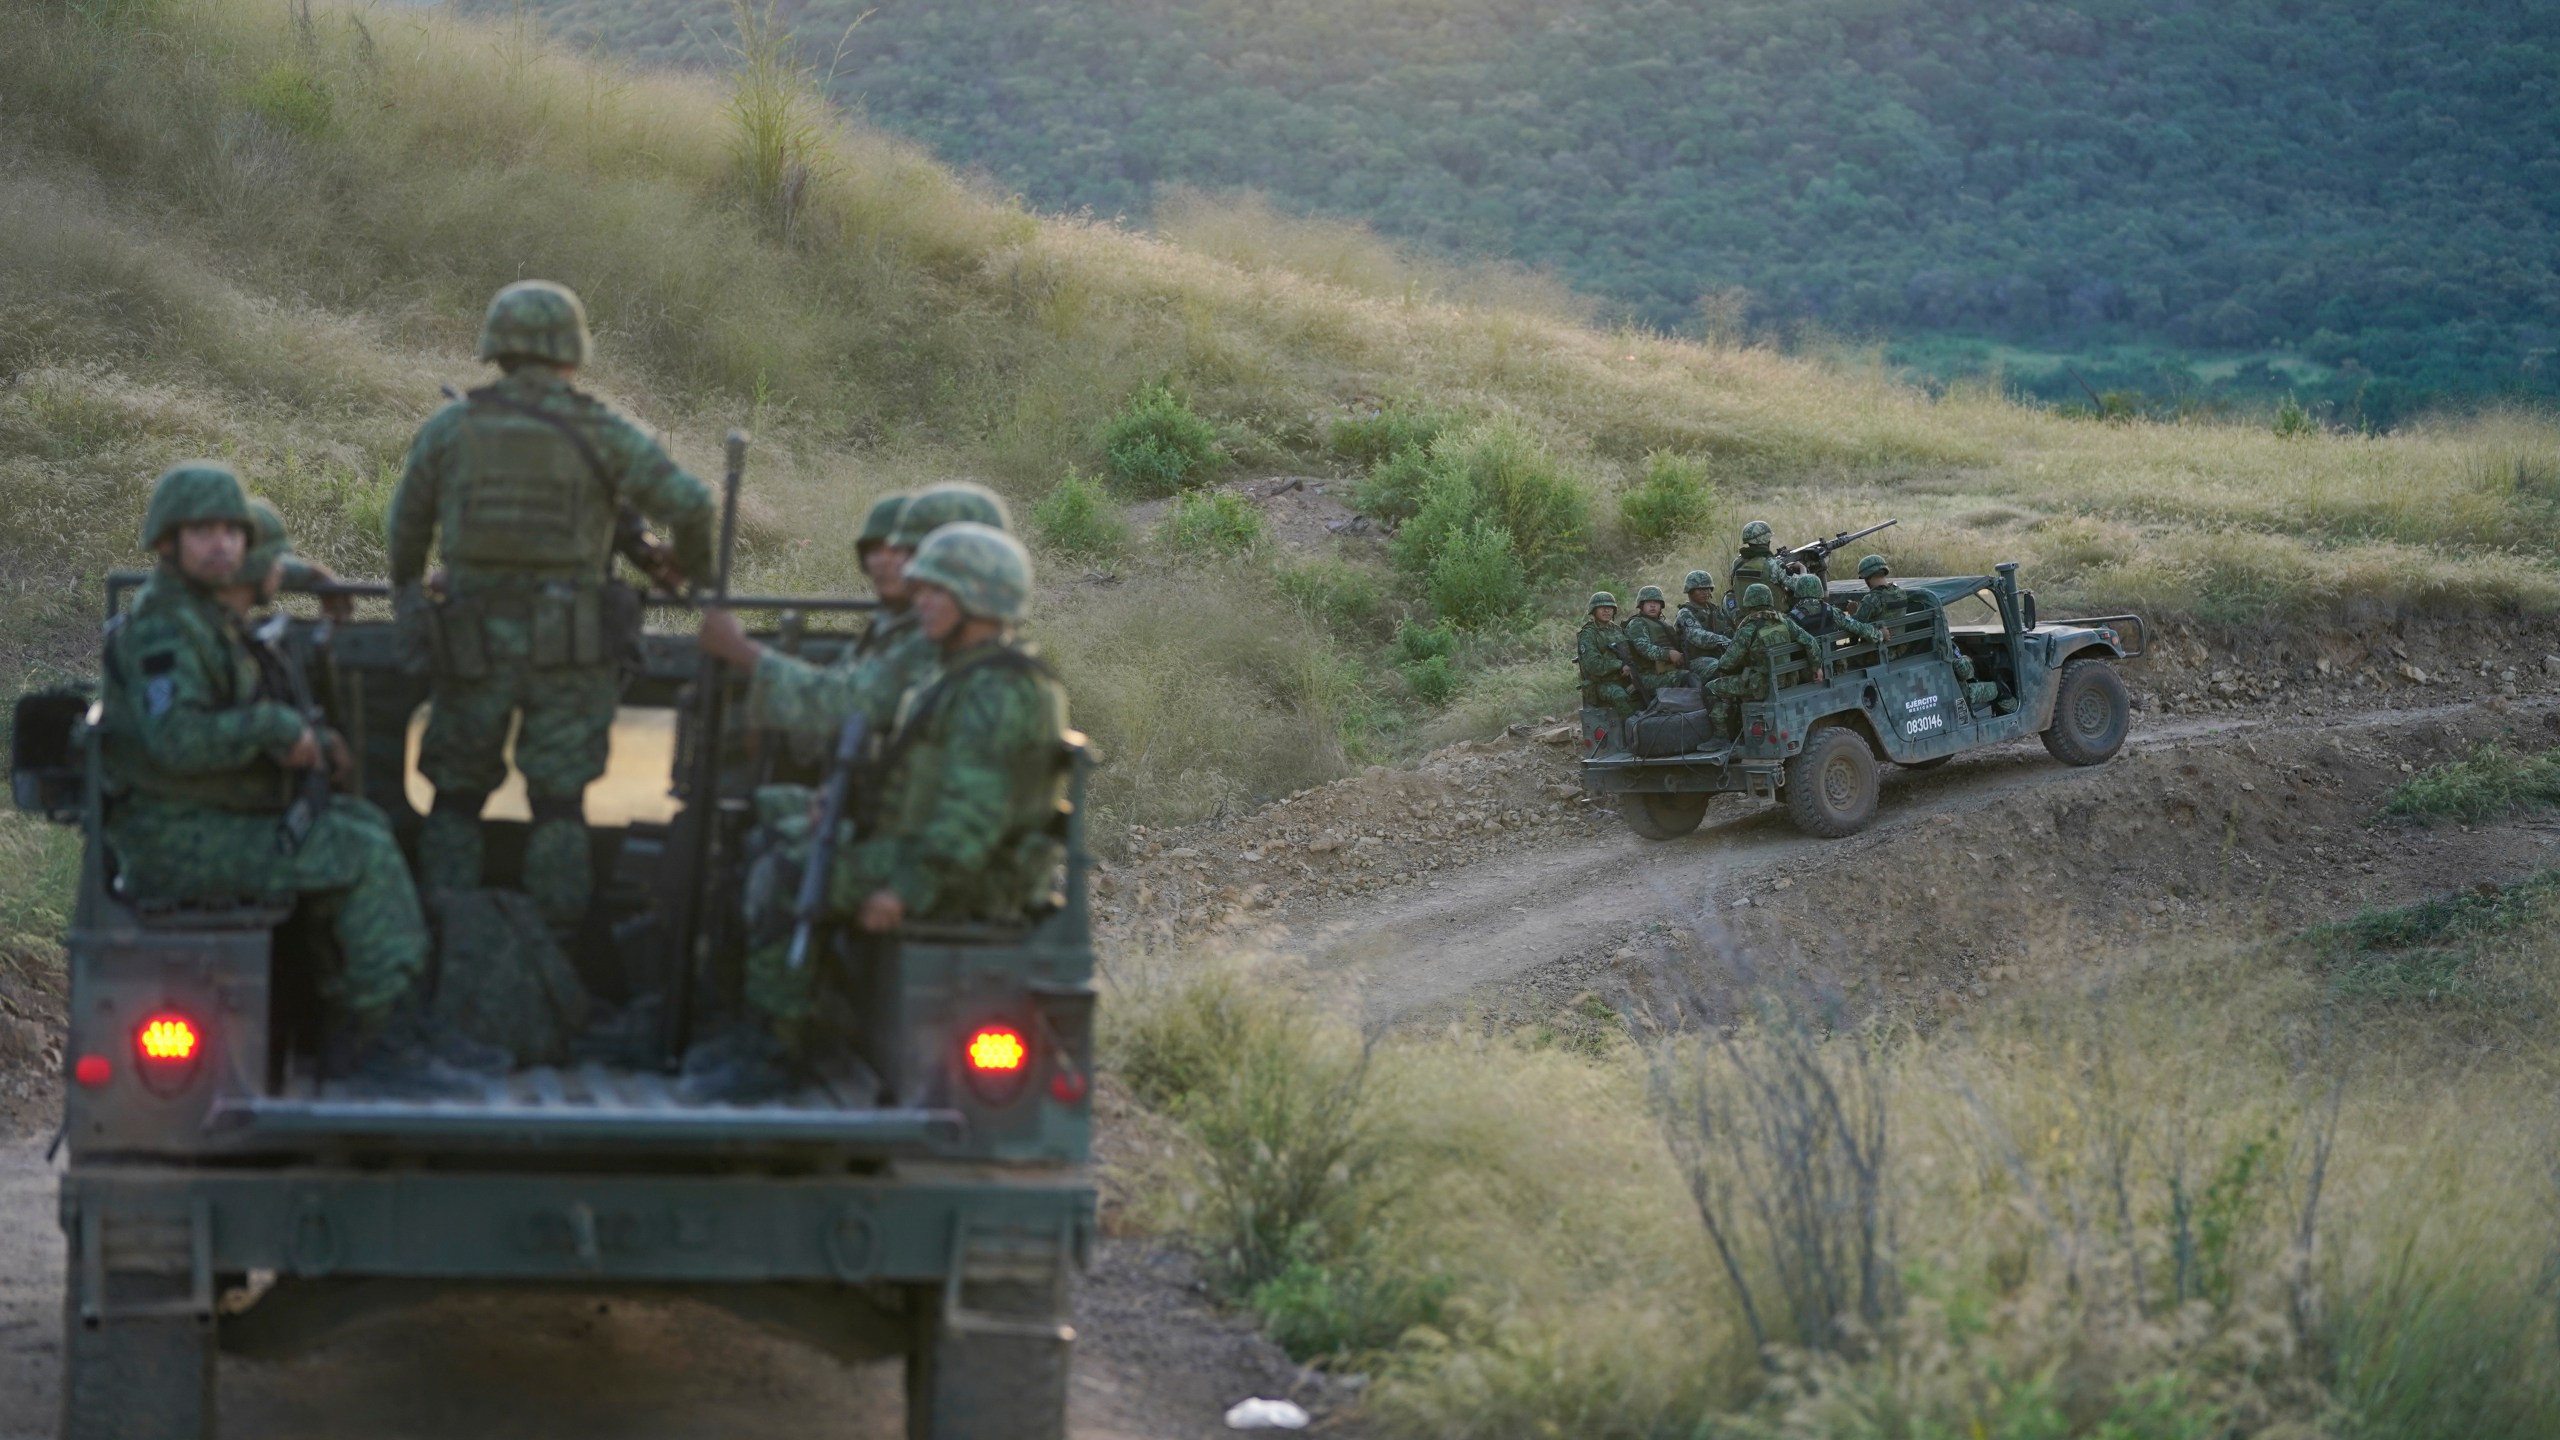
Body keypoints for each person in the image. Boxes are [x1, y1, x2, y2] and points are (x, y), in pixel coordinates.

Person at [695, 523, 1072, 1100]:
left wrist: (903, 890)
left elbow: (973, 818)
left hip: (966, 877)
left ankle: (778, 1051)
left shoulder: (998, 692)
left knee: (787, 875)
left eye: (936, 593)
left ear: (979, 600)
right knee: (767, 829)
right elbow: (915, 774)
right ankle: (759, 1025)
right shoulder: (958, 672)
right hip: (934, 856)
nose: (920, 602)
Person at [387, 280, 717, 930]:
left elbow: (406, 528)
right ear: (574, 352)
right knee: (560, 802)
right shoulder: (603, 432)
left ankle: (446, 937)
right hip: (572, 646)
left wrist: (408, 598)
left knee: (455, 797)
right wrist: (694, 576)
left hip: (470, 641)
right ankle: (557, 947)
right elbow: (693, 505)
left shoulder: (452, 428)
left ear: (495, 350)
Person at [102, 464, 441, 1086]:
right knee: (362, 851)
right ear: (166, 544)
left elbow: (269, 574)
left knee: (359, 822)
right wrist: (276, 731)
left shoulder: (201, 618)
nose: (224, 544)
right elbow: (176, 740)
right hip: (181, 839)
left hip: (208, 823)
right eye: (203, 531)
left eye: (232, 531)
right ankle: (383, 1048)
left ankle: (343, 1030)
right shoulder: (165, 631)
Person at [698, 482, 1010, 741]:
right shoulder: (899, 625)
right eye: (873, 551)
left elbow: (847, 703)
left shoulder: (938, 638)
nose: (883, 561)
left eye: (900, 550)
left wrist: (743, 651)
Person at [1702, 582, 1827, 740]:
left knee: (1712, 687)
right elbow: (1811, 643)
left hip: (1761, 686)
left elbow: (1727, 664)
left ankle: (1721, 736)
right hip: (1789, 681)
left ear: (1747, 603)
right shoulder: (1784, 622)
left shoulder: (1747, 630)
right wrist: (1817, 667)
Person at [1574, 591, 1640, 719]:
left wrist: (1631, 668)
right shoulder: (1588, 634)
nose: (1606, 610)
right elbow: (1593, 665)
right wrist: (1620, 665)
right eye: (1601, 607)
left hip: (1623, 678)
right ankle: (1634, 726)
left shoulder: (1618, 630)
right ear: (1594, 610)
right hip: (1601, 684)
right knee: (1619, 695)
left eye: (1609, 607)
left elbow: (1630, 654)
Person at [1622, 585, 1685, 696]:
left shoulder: (1664, 624)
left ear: (1661, 605)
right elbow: (1644, 648)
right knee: (1686, 678)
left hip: (1667, 670)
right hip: (1646, 676)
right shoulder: (1637, 623)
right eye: (1648, 602)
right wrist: (1668, 654)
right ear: (1641, 605)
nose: (1652, 605)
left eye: (1656, 602)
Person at [1787, 571, 1880, 644]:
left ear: (1798, 591)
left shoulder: (1791, 617)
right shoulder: (1833, 612)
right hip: (1832, 663)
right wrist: (1880, 634)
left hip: (1805, 667)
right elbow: (1858, 627)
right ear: (1819, 590)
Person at [1728, 520, 1785, 606]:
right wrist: (1802, 569)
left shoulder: (1737, 563)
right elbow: (1798, 587)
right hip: (1772, 617)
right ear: (1766, 540)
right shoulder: (1772, 563)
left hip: (1745, 617)